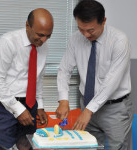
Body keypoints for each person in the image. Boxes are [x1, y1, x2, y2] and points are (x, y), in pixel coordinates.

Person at [56, 0, 133, 150]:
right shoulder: (75, 39)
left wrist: (88, 111)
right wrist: (63, 99)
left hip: (114, 109)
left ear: (103, 21)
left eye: (90, 30)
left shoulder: (119, 41)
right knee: (89, 147)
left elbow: (111, 82)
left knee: (118, 147)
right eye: (80, 29)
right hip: (87, 103)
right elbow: (64, 70)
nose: (85, 34)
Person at [0, 8, 54, 150]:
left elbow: (38, 77)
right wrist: (18, 109)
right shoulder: (8, 42)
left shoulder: (43, 45)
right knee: (4, 147)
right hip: (5, 105)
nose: (44, 40)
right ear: (27, 26)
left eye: (48, 36)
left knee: (28, 146)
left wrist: (40, 106)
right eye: (40, 35)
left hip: (30, 105)